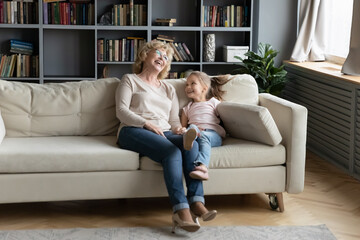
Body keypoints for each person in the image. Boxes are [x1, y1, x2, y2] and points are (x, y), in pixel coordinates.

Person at [115, 41, 216, 233]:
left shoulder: (168, 88)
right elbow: (121, 111)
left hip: (164, 131)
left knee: (192, 144)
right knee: (171, 152)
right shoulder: (130, 80)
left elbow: (173, 121)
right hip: (132, 130)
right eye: (159, 53)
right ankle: (181, 210)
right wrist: (146, 123)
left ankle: (196, 202)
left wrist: (180, 130)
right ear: (145, 55)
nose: (162, 58)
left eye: (166, 57)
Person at [181, 71, 229, 181]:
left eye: (193, 83)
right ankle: (189, 140)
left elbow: (226, 116)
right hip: (196, 134)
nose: (188, 87)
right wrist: (182, 130)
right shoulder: (187, 108)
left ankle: (203, 168)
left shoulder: (213, 102)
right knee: (192, 127)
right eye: (187, 85)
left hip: (213, 135)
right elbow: (183, 126)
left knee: (203, 135)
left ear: (204, 88)